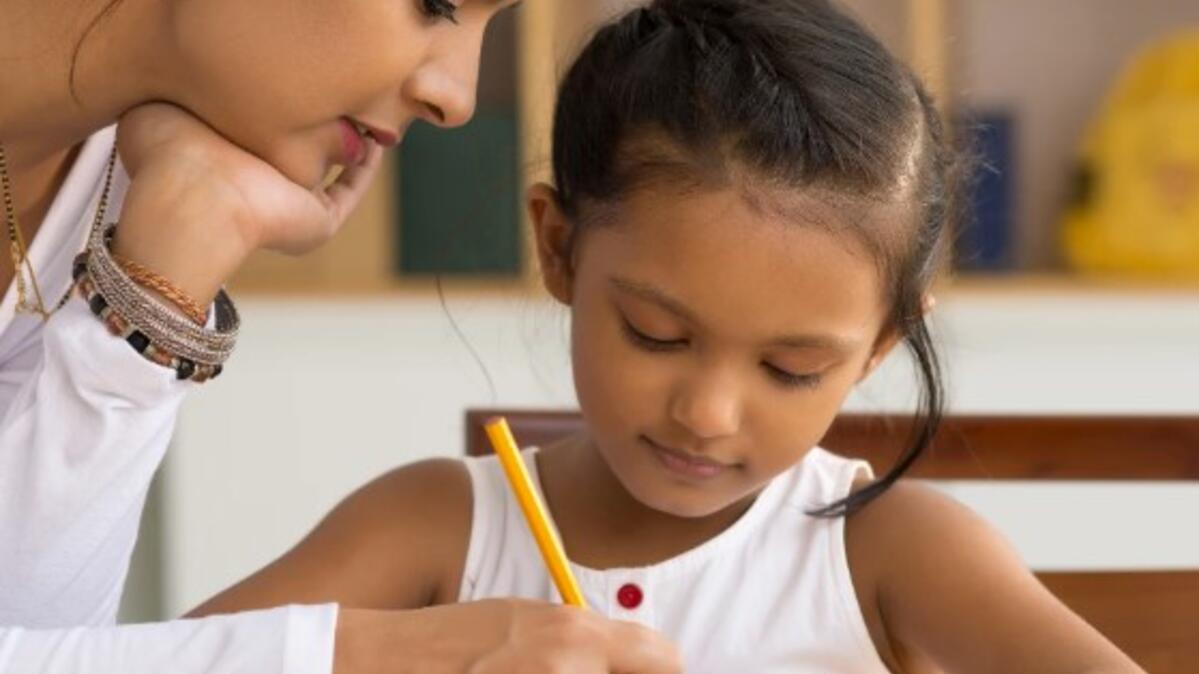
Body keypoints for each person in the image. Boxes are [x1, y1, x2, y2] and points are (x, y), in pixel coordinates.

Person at [190, 1, 1145, 672]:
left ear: (879, 348)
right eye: (655, 334)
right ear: (559, 250)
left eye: (790, 368)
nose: (707, 412)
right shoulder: (435, 525)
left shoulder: (894, 553)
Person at [0, 0, 682, 672]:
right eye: (436, 3)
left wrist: (181, 245)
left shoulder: (121, 171)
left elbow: (30, 631)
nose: (457, 99)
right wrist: (379, 653)